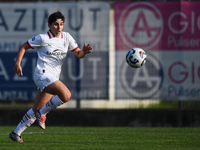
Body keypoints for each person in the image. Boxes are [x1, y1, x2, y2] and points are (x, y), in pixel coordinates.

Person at [9, 11, 92, 143]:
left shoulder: (66, 37)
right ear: (49, 25)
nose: (59, 27)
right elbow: (23, 47)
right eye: (55, 24)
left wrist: (84, 52)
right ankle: (43, 113)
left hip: (53, 77)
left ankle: (16, 133)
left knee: (36, 108)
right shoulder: (43, 38)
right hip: (42, 75)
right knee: (66, 95)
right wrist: (18, 63)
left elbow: (78, 53)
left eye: (61, 24)